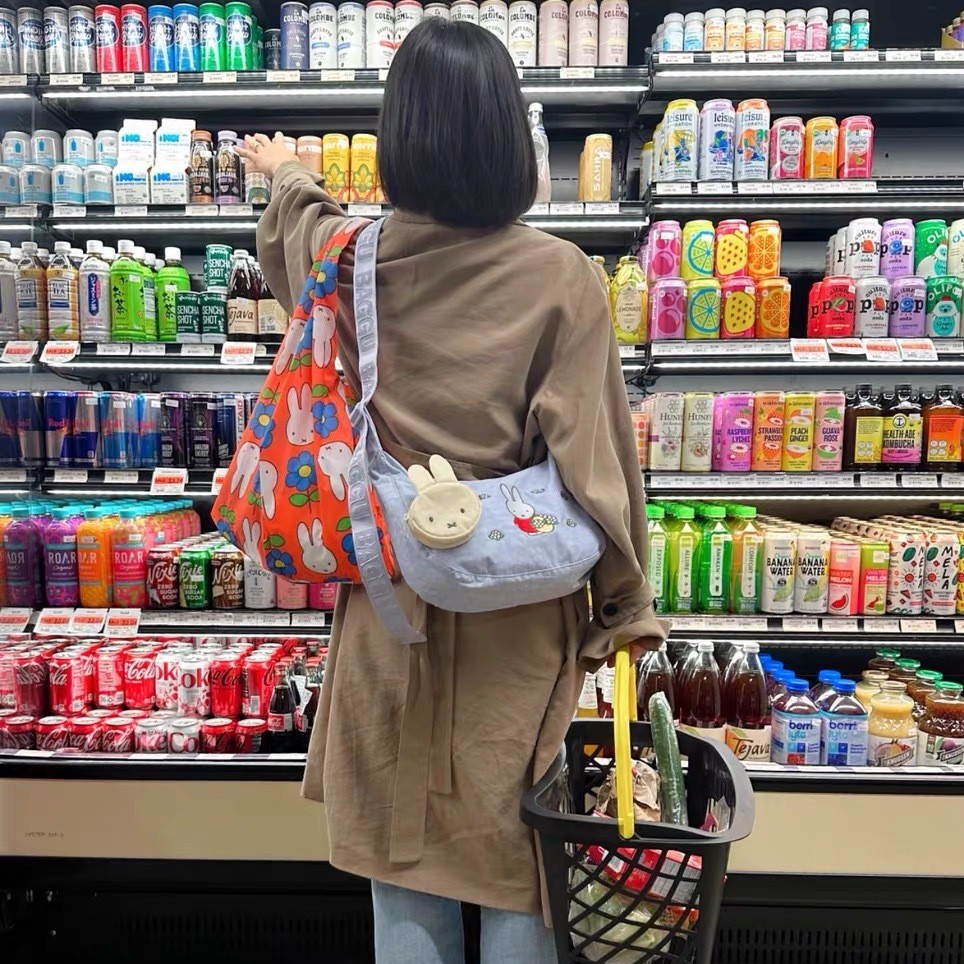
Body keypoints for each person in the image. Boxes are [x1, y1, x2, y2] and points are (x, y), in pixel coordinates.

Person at [238, 17, 667, 964]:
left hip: (392, 605)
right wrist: (624, 609)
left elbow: (296, 228)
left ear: (399, 137)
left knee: (403, 866)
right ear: (510, 136)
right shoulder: (560, 278)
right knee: (519, 863)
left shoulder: (348, 258)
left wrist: (283, 170)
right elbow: (597, 463)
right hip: (520, 619)